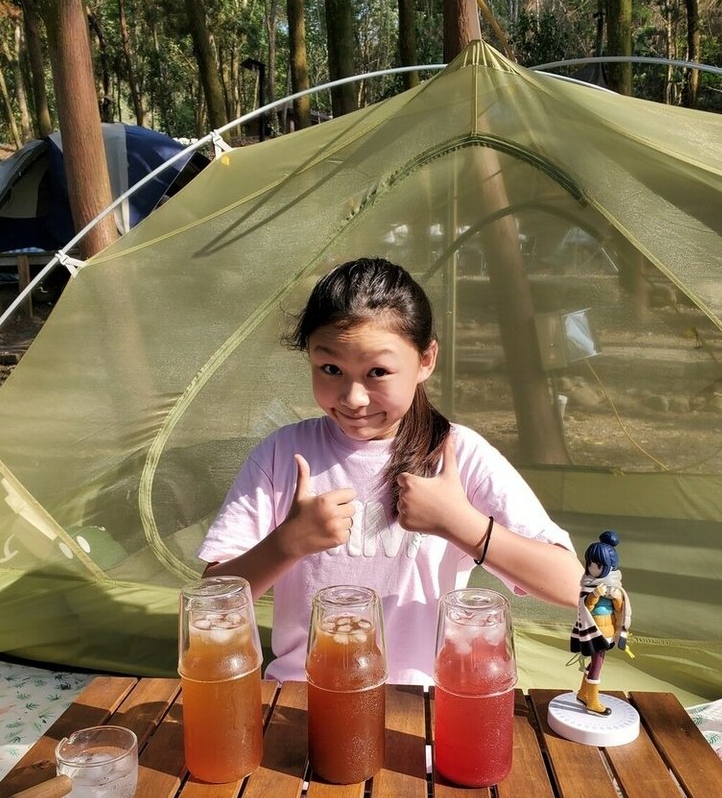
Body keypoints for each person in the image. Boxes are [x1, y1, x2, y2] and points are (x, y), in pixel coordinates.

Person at [199, 257, 583, 684]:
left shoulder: (458, 456)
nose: (353, 397)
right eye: (331, 369)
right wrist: (288, 542)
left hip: (416, 706)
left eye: (378, 372)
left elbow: (572, 586)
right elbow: (212, 599)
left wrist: (462, 525)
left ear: (426, 359)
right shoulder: (283, 453)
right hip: (299, 697)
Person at [570, 530, 631, 715]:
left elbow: (622, 609)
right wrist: (596, 594)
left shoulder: (614, 585)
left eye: (596, 564)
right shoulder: (588, 584)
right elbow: (585, 605)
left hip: (608, 629)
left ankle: (583, 693)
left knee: (596, 663)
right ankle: (592, 701)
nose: (591, 568)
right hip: (593, 629)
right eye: (590, 563)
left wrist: (616, 596)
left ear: (607, 566)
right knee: (597, 665)